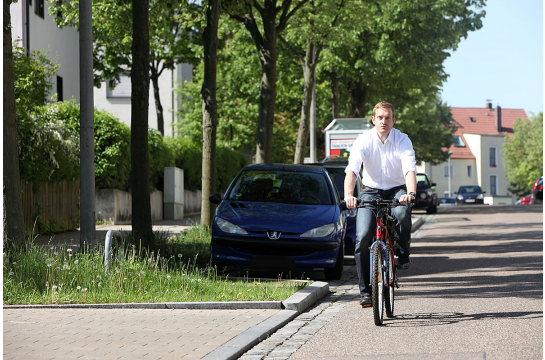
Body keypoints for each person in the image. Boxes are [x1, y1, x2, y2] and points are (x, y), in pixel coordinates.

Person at [344, 101, 417, 307]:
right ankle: (365, 292)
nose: (384, 121)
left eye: (388, 117)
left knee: (402, 214)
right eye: (380, 117)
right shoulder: (364, 140)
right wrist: (350, 195)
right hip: (370, 190)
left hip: (397, 189)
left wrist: (410, 193)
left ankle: (402, 252)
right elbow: (352, 169)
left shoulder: (402, 139)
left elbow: (409, 169)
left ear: (393, 120)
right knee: (362, 238)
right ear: (373, 119)